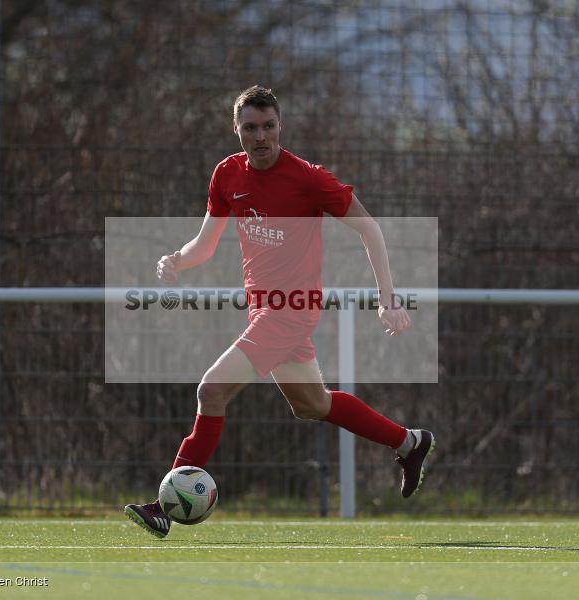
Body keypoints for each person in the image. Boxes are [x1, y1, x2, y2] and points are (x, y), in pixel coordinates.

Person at [124, 86, 434, 538]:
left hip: (291, 312)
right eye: (250, 127)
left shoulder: (308, 178)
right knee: (314, 404)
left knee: (211, 391)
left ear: (280, 126)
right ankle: (410, 442)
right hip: (263, 312)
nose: (261, 136)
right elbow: (205, 245)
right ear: (237, 130)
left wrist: (387, 297)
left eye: (269, 126)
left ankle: (164, 508)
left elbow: (369, 228)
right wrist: (176, 261)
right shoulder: (227, 174)